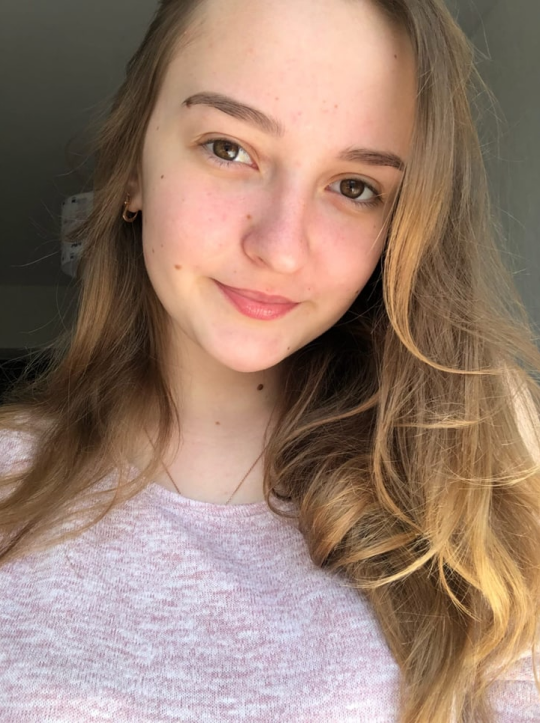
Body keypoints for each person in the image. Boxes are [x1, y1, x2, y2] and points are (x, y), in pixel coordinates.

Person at [1, 0, 540, 720]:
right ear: (132, 168)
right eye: (229, 148)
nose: (281, 248)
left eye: (355, 187)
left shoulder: (474, 482)